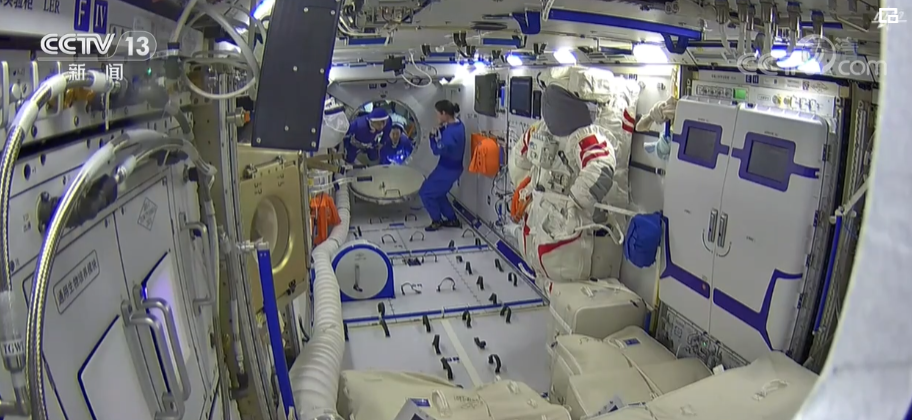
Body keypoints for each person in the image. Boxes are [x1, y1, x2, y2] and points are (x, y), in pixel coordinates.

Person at [419, 100, 466, 231]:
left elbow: (436, 150)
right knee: (439, 193)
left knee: (425, 193)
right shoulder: (459, 125)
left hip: (447, 170)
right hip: (453, 168)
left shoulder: (449, 134)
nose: (437, 117)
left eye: (438, 114)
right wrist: (441, 127)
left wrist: (432, 137)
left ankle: (436, 221)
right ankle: (452, 219)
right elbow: (450, 133)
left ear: (444, 113)